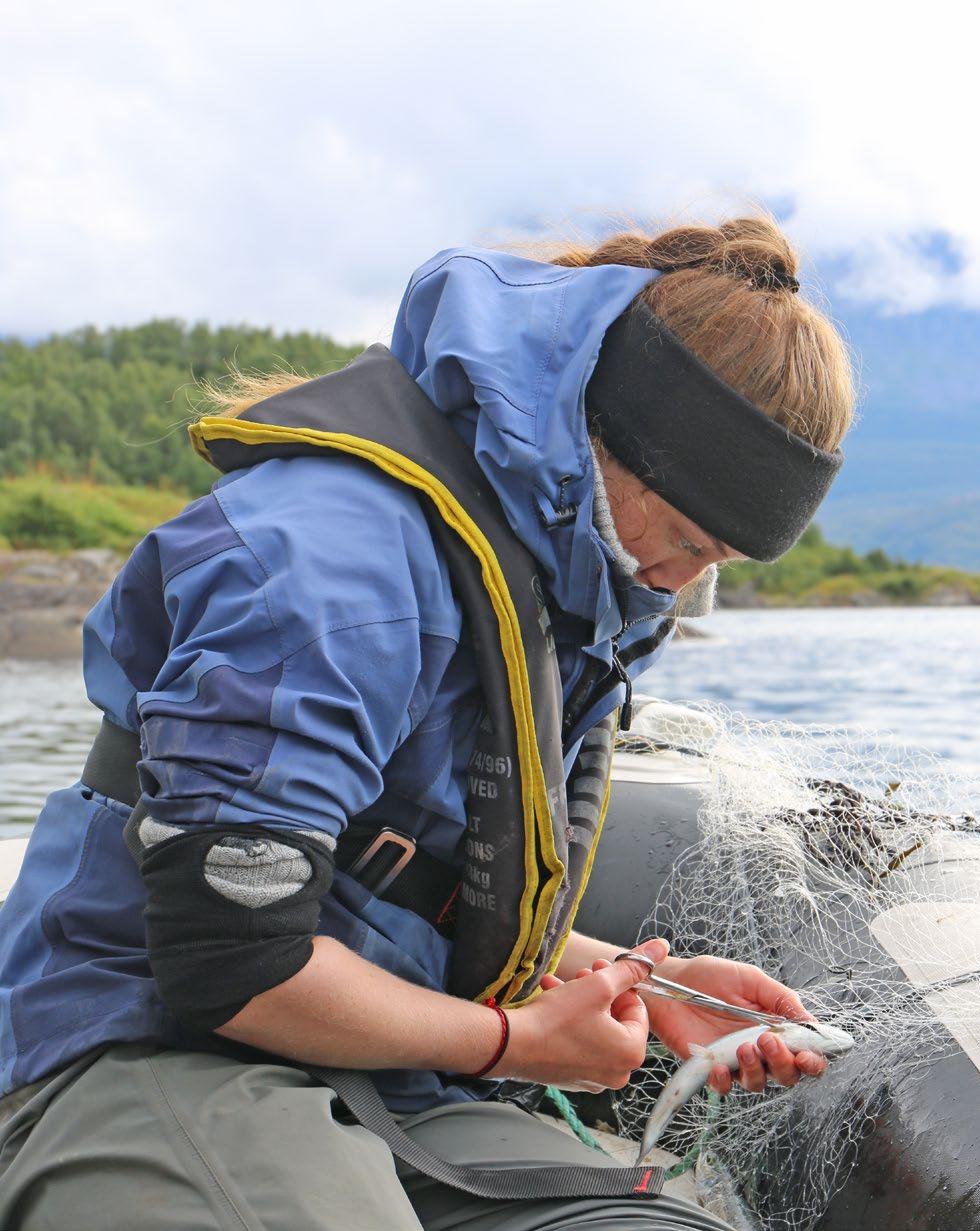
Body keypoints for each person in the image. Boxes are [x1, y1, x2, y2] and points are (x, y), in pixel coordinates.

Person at [0, 216, 855, 1230]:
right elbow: (231, 957)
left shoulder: (575, 589)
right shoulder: (332, 565)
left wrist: (648, 982)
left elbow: (406, 868)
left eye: (718, 559)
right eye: (681, 537)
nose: (684, 580)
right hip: (145, 1041)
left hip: (391, 1074)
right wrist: (517, 1046)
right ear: (604, 441)